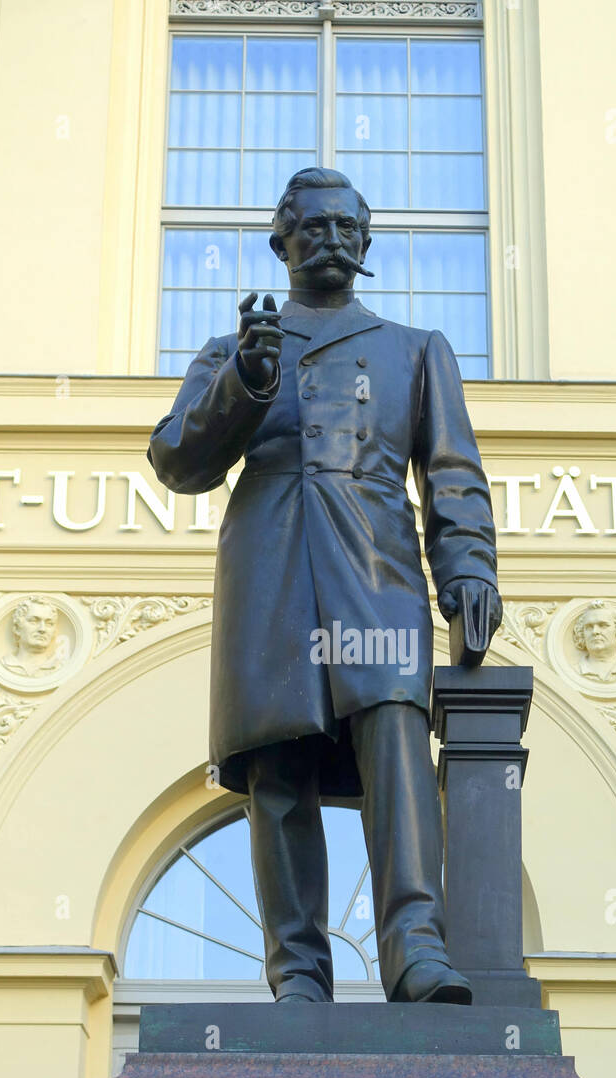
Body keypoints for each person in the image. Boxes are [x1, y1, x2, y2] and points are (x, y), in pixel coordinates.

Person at [148, 167, 502, 1004]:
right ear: (281, 241)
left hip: (376, 570)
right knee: (277, 766)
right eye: (313, 226)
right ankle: (299, 975)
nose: (332, 239)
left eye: (348, 226)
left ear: (368, 241)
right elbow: (178, 462)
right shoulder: (231, 353)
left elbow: (452, 474)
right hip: (267, 572)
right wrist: (247, 381)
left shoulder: (416, 349)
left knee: (395, 743)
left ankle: (416, 948)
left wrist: (469, 570)